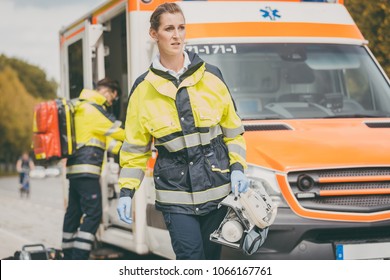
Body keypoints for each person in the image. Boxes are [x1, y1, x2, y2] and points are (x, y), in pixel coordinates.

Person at [117, 3, 249, 260]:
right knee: (190, 261)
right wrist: (126, 192)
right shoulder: (143, 89)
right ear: (154, 34)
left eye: (181, 27)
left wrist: (238, 168)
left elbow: (233, 132)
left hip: (217, 192)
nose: (177, 35)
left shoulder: (212, 76)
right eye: (169, 29)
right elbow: (135, 149)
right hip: (175, 196)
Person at [61, 77, 125, 260]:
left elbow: (105, 142)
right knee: (94, 213)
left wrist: (123, 151)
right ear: (106, 92)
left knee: (74, 212)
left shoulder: (80, 107)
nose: (111, 102)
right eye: (113, 97)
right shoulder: (94, 111)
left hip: (75, 170)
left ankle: (67, 254)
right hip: (87, 171)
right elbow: (119, 132)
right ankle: (79, 258)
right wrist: (143, 137)